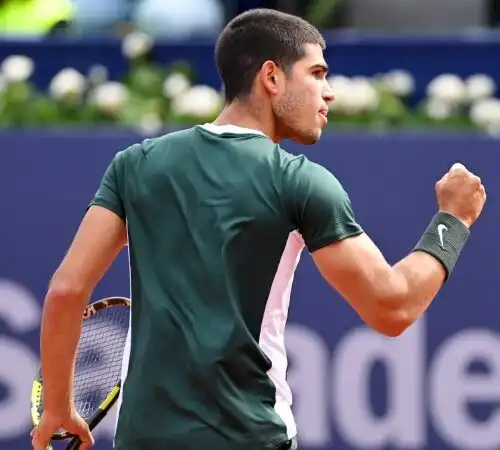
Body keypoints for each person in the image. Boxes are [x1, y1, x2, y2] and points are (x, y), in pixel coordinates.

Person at [31, 8, 486, 450]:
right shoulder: (298, 180)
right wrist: (453, 220)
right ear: (271, 77)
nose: (329, 93)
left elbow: (68, 291)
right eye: (317, 74)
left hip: (143, 438)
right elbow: (393, 307)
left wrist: (58, 406)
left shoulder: (135, 165)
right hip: (250, 436)